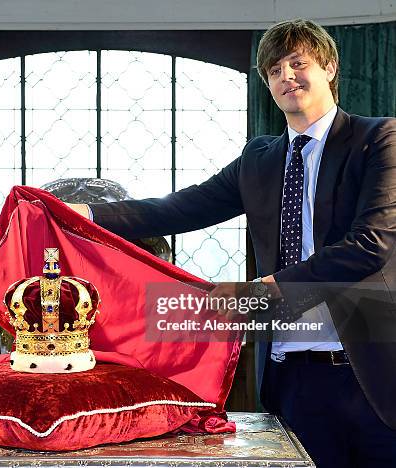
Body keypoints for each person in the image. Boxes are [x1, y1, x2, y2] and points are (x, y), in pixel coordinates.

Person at [67, 19, 396, 468]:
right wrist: (83, 213)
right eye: (275, 70)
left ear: (330, 67)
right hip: (288, 374)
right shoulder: (257, 160)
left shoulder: (379, 138)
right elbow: (178, 209)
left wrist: (264, 289)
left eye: (298, 63)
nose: (287, 77)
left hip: (368, 373)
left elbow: (371, 245)